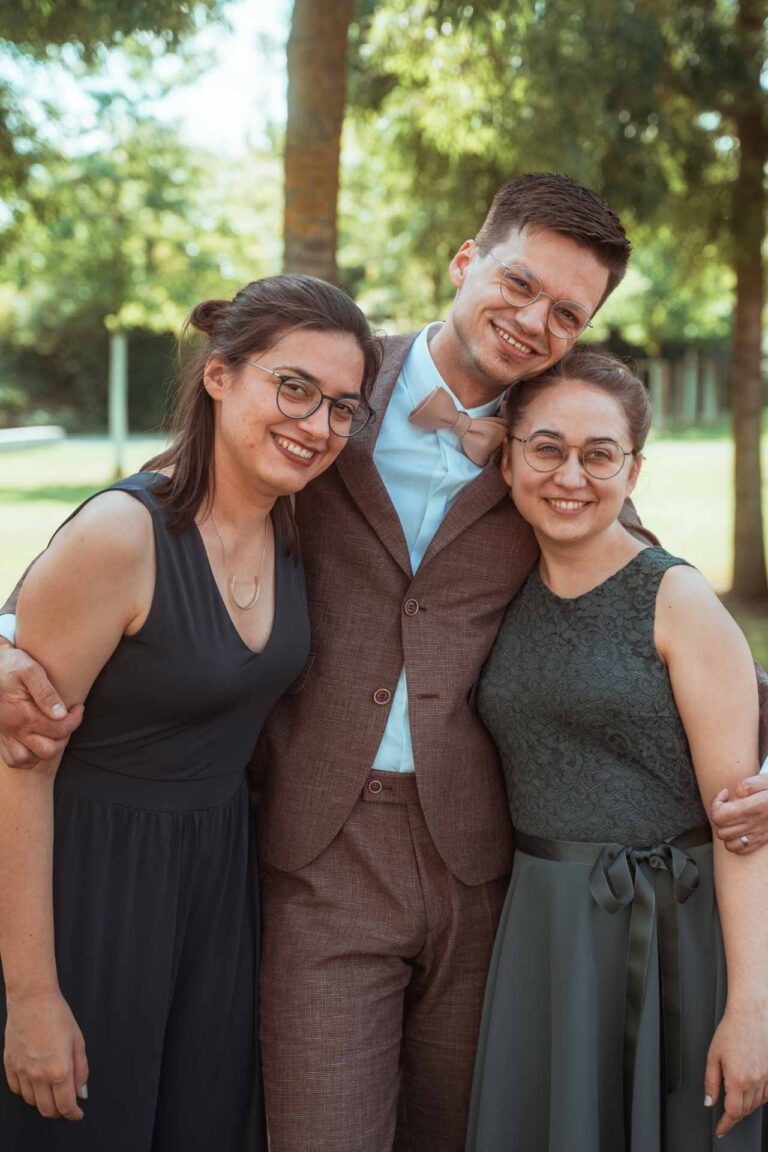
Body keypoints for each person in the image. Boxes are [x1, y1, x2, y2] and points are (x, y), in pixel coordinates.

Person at [2, 174, 768, 1152]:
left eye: (567, 313)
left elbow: (650, 592)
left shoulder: (553, 446)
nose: (535, 322)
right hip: (316, 853)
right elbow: (168, 502)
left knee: (464, 1130)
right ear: (465, 261)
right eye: (520, 284)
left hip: (486, 865)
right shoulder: (326, 390)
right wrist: (6, 629)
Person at [0, 274, 381, 1151]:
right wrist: (31, 998)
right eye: (293, 387)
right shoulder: (122, 536)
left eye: (342, 408)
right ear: (219, 376)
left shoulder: (295, 526)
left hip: (217, 890)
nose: (317, 425)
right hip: (89, 887)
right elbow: (19, 764)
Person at [467, 348, 768, 1151]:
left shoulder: (678, 599)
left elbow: (743, 825)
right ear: (508, 458)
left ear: (634, 471)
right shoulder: (502, 587)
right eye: (548, 448)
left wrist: (752, 1009)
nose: (571, 475)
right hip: (543, 935)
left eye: (600, 455)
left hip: (674, 935)